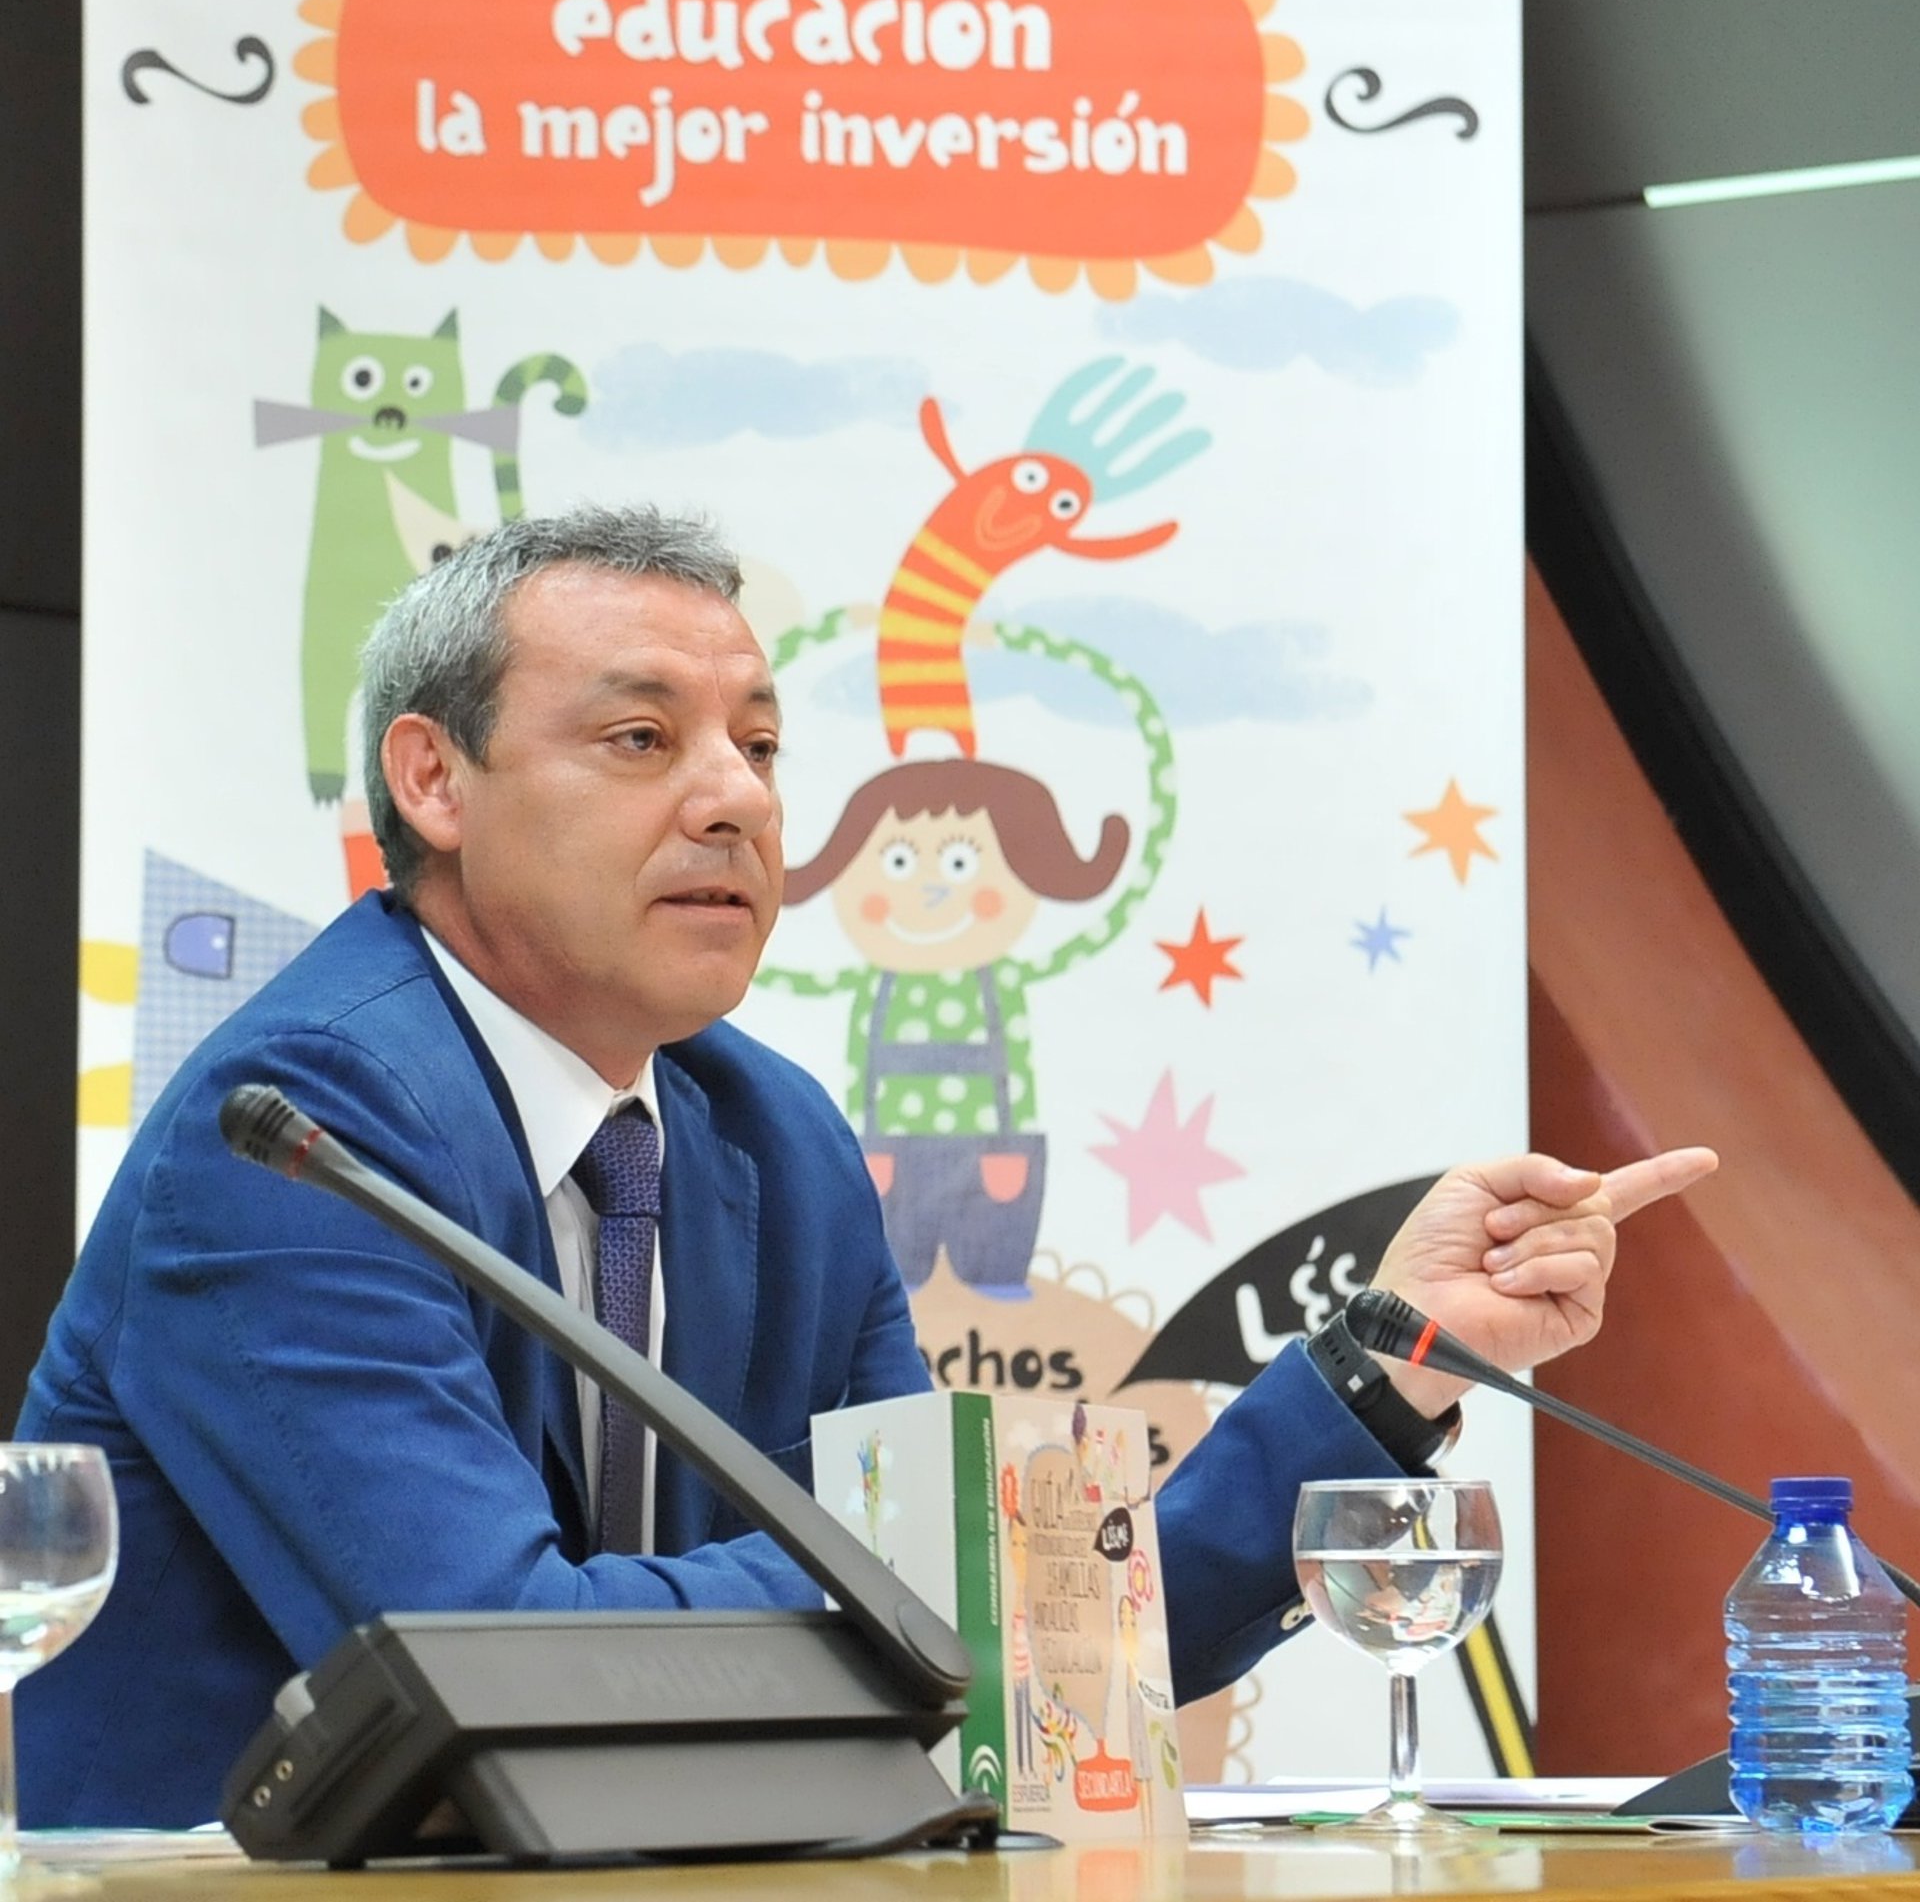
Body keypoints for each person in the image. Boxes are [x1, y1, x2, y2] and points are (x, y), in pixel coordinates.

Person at [15, 507, 1716, 1828]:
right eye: (642, 739)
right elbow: (498, 1656)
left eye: (760, 745)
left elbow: (1044, 1655)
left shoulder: (771, 1136)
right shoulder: (300, 1132)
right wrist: (923, 1575)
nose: (738, 802)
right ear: (431, 779)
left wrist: (1394, 1354)